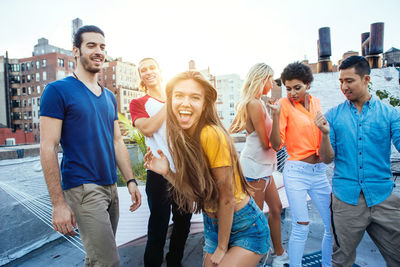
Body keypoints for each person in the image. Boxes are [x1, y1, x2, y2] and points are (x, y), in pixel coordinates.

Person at [144, 70, 270, 267]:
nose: (185, 103)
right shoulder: (183, 138)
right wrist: (167, 172)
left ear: (204, 105)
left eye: (195, 97)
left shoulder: (210, 134)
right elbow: (196, 195)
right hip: (213, 226)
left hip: (245, 226)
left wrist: (221, 247)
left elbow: (226, 196)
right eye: (179, 96)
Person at [40, 25, 141, 267]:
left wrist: (130, 180)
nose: (99, 51)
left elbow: (117, 140)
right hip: (83, 188)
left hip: (110, 186)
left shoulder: (108, 96)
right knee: (108, 261)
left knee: (97, 258)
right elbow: (48, 147)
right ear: (76, 51)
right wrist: (58, 204)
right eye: (91, 45)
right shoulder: (57, 90)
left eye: (102, 47)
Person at [325, 56, 400, 267]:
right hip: (345, 199)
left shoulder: (390, 114)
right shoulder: (332, 116)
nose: (344, 86)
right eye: (341, 81)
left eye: (349, 81)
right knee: (341, 261)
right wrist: (323, 134)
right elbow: (326, 159)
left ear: (366, 79)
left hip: (383, 197)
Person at [268, 62, 334, 267]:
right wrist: (276, 115)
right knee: (301, 225)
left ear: (308, 85)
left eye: (297, 87)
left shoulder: (316, 103)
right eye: (288, 88)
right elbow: (277, 145)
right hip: (296, 171)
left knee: (332, 225)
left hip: (319, 171)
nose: (292, 92)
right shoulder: (284, 105)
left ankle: (327, 264)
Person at [129, 58, 192, 267]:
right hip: (158, 173)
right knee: (158, 227)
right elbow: (147, 128)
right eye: (143, 69)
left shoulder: (180, 99)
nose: (148, 72)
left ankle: (175, 263)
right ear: (140, 76)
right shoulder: (138, 103)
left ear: (160, 70)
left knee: (183, 224)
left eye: (151, 67)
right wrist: (169, 103)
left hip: (182, 172)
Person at [230, 63, 289, 267]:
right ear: (261, 79)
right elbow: (267, 144)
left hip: (263, 167)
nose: (272, 83)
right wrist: (276, 116)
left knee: (276, 207)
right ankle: (252, 260)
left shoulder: (258, 103)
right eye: (270, 79)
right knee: (253, 221)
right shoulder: (254, 104)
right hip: (254, 168)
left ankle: (279, 254)